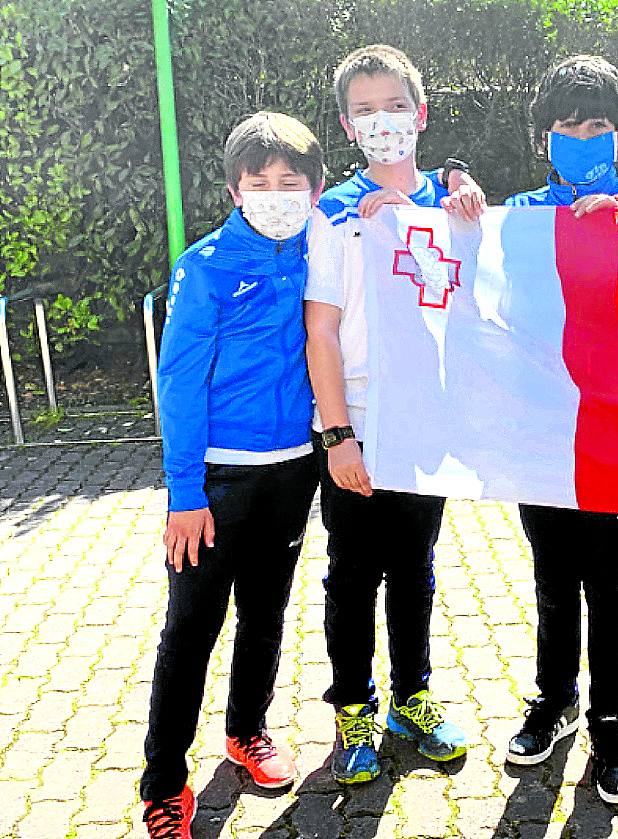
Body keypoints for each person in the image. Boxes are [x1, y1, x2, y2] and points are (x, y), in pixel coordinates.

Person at [140, 111, 324, 839]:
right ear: (234, 189)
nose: (276, 194)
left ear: (313, 189)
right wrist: (184, 494)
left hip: (294, 471)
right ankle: (162, 783)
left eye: (291, 182)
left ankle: (246, 731)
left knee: (267, 614)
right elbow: (179, 384)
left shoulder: (321, 247)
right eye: (260, 183)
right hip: (217, 483)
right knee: (189, 630)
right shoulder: (206, 264)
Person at [304, 43, 484, 784]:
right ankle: (354, 707)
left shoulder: (454, 206)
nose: (384, 122)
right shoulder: (332, 216)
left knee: (414, 567)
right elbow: (320, 331)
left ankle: (412, 695)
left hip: (427, 421)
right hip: (358, 422)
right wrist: (339, 434)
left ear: (423, 113)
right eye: (366, 111)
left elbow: (490, 302)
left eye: (395, 107)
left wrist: (456, 200)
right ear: (347, 126)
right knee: (351, 574)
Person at [502, 54, 618, 807]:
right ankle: (553, 698)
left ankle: (610, 729)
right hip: (543, 434)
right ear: (544, 138)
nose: (581, 135)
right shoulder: (519, 213)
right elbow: (488, 309)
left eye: (597, 123)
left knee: (610, 587)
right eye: (567, 124)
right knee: (550, 578)